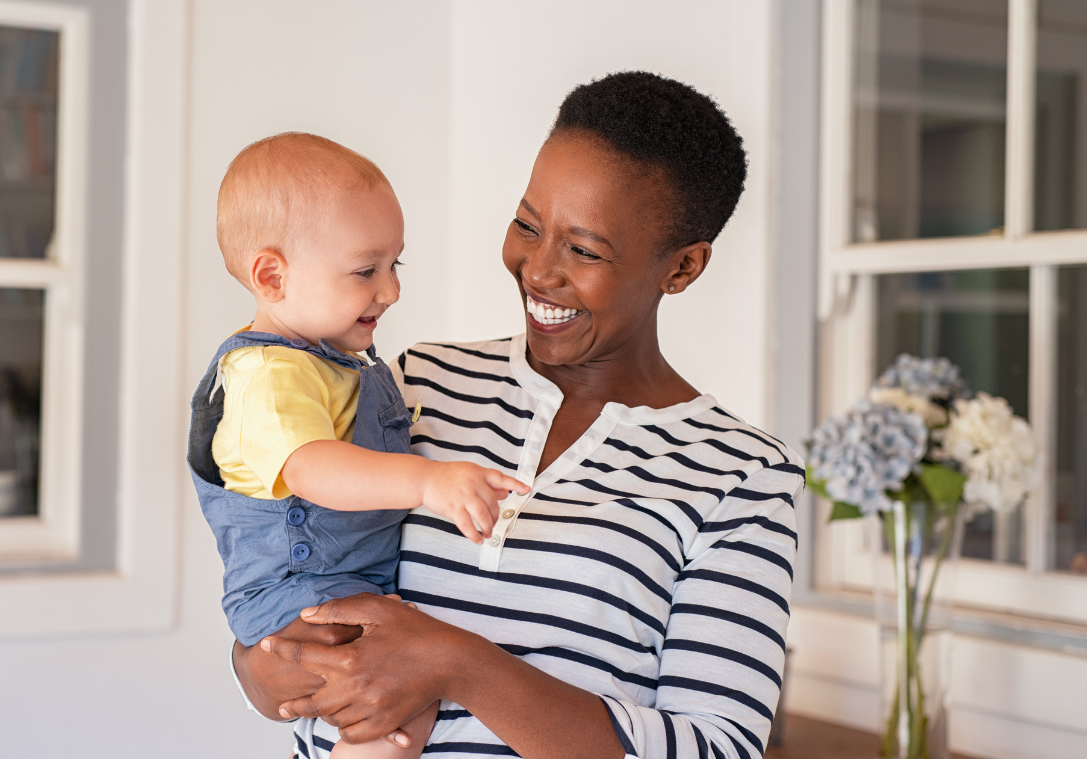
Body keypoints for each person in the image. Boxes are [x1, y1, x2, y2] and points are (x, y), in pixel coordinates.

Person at [230, 72, 806, 759]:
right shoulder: (411, 384)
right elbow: (289, 555)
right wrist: (257, 667)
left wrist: (459, 663)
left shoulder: (742, 476)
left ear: (681, 268)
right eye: (527, 225)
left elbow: (719, 747)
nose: (538, 268)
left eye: (585, 250)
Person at [188, 132, 530, 759]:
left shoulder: (338, 362)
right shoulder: (269, 375)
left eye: (396, 265)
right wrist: (429, 483)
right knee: (400, 690)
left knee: (402, 686)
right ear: (272, 276)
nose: (391, 290)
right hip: (299, 592)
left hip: (340, 585)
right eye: (366, 270)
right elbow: (315, 469)